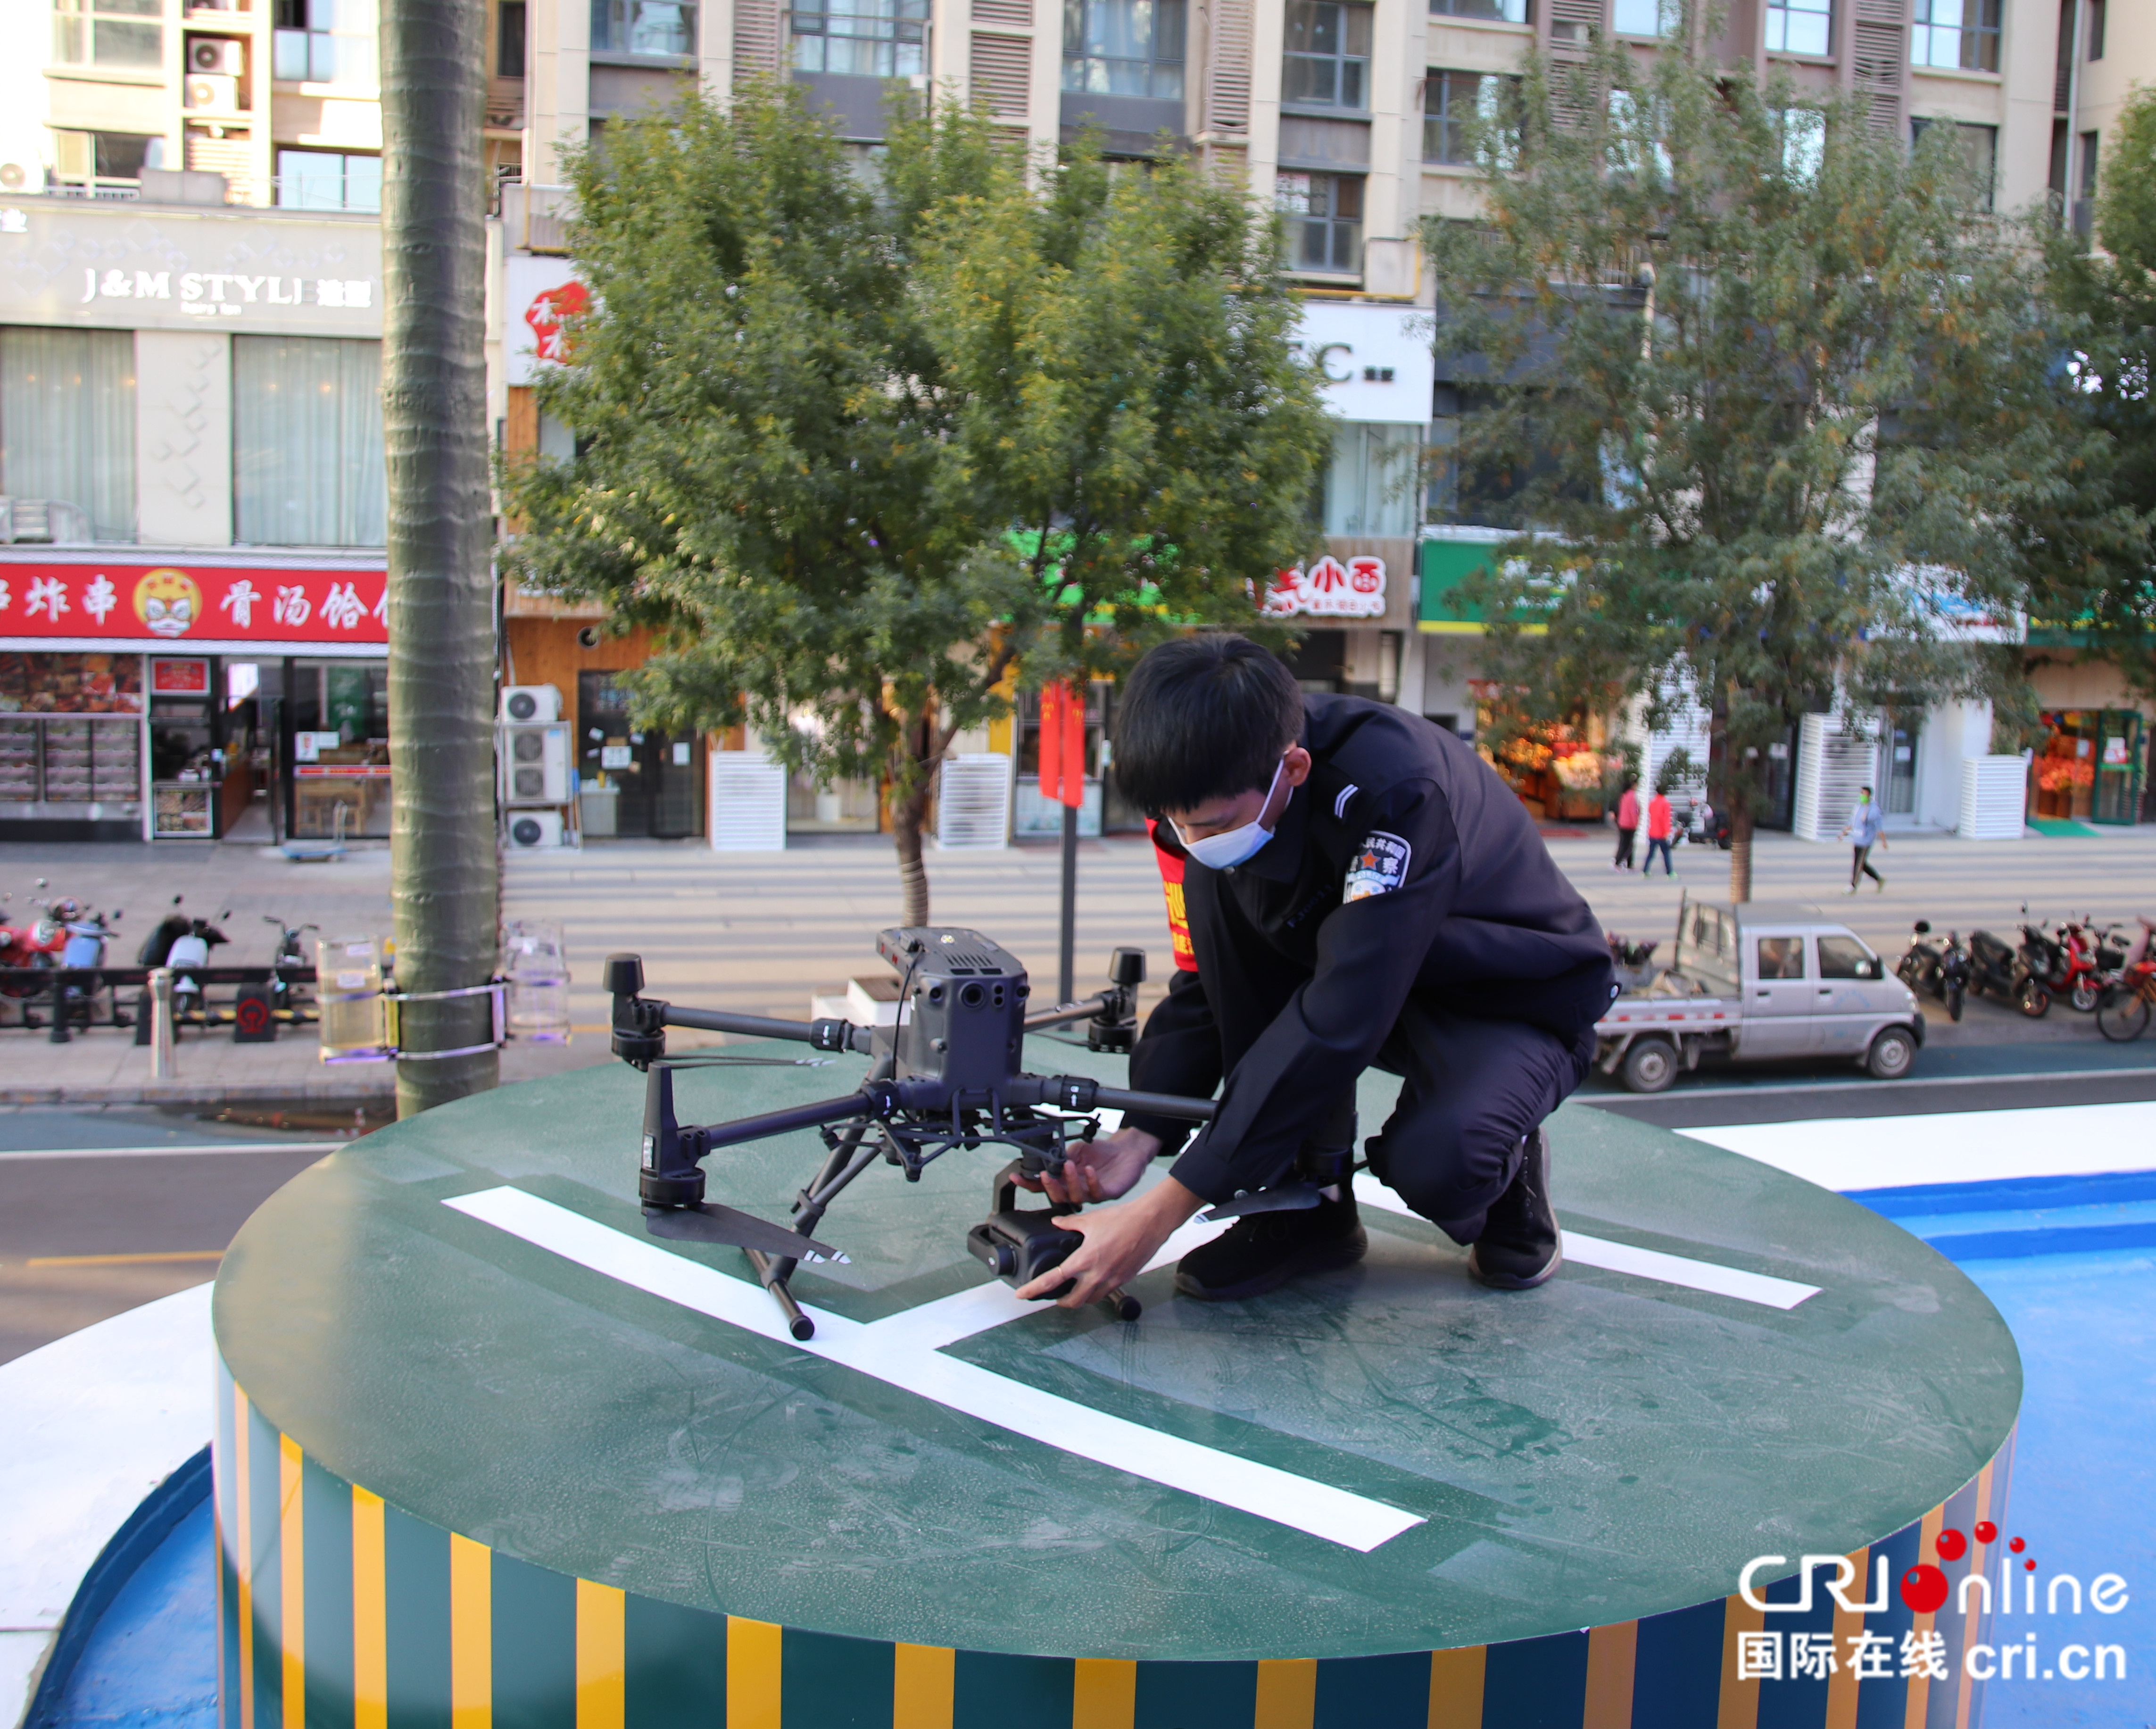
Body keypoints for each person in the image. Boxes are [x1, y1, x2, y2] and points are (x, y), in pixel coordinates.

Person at [1014, 634, 1616, 1308]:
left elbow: (1340, 1016)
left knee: (1440, 1163)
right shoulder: (1210, 799)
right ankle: (1310, 1207)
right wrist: (1143, 1128)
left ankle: (1513, 1168)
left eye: (1211, 823)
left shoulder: (1395, 796)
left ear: (1293, 768)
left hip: (1503, 994)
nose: (1194, 840)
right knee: (1225, 897)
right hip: (1363, 974)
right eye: (1177, 824)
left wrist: (1158, 1216)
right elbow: (1212, 981)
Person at [1840, 786, 1886, 894]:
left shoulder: (1874, 810)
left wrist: (1884, 842)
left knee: (1858, 864)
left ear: (1869, 796)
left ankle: (1853, 886)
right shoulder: (1858, 807)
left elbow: (1879, 827)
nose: (1862, 796)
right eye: (1861, 794)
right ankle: (1879, 880)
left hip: (1866, 841)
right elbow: (1852, 822)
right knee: (1861, 863)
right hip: (1857, 839)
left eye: (1864, 794)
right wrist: (1843, 833)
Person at [1643, 786, 1675, 877]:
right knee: (1666, 853)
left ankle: (1645, 871)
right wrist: (1667, 832)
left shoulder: (1652, 802)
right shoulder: (1665, 803)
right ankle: (1670, 872)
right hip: (1661, 833)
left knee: (1651, 853)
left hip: (1652, 832)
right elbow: (1666, 819)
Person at [1613, 776, 1640, 871]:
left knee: (1625, 843)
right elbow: (1633, 811)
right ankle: (1619, 862)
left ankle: (1628, 863)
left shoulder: (1624, 795)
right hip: (1629, 824)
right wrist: (1636, 822)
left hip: (1622, 822)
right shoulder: (1632, 795)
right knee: (1628, 845)